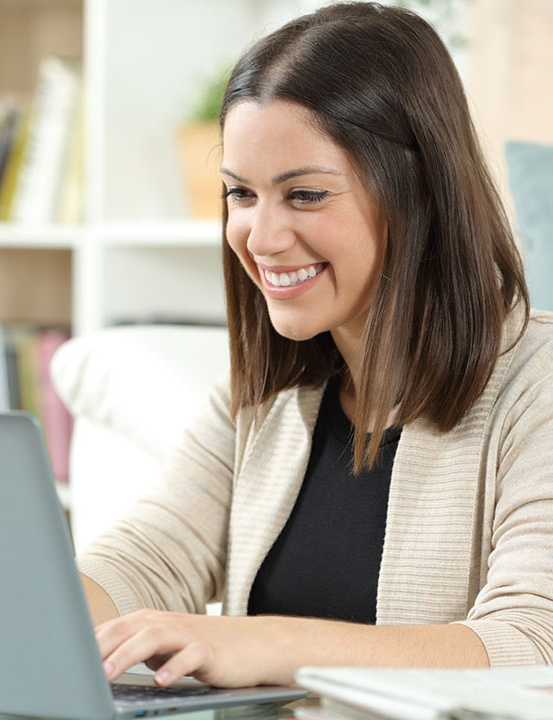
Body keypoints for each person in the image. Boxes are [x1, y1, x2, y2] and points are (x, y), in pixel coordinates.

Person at [76, 1, 553, 689]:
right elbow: (147, 558)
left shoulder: (535, 382)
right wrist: (26, 611)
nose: (261, 238)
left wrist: (263, 644)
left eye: (303, 195)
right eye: (241, 194)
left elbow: (532, 642)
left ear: (416, 192)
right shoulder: (268, 398)